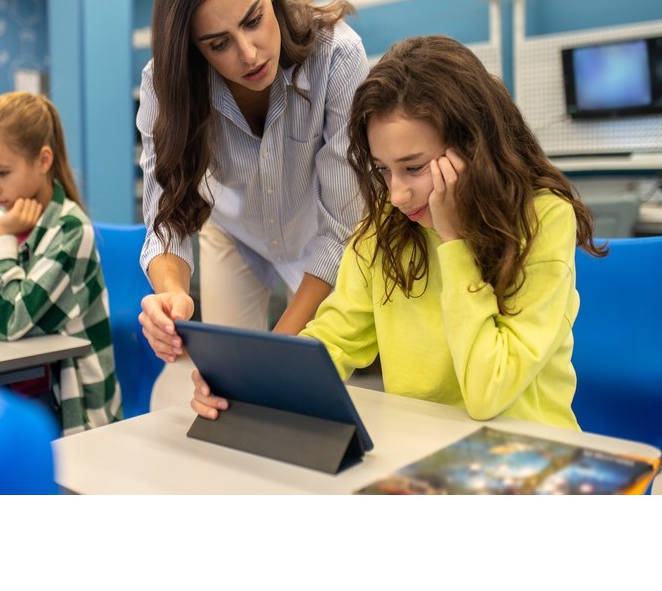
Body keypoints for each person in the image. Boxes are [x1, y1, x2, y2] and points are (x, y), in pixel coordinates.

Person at [192, 35, 607, 429]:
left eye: (413, 167)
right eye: (383, 170)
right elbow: (333, 339)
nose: (396, 195)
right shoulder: (385, 230)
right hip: (423, 452)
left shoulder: (543, 220)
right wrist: (245, 383)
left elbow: (488, 393)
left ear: (474, 147)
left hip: (529, 452)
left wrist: (455, 242)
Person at [138, 0, 369, 362]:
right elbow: (165, 216)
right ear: (193, 48)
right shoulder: (164, 85)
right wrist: (171, 294)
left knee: (310, 374)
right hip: (235, 231)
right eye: (218, 44)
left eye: (254, 20)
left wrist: (268, 356)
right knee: (229, 375)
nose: (248, 54)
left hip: (321, 236)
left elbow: (342, 229)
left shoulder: (338, 56)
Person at [0, 91, 123, 435]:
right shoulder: (0, 221)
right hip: (21, 391)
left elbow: (11, 322)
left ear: (43, 160)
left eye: (2, 173)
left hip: (74, 409)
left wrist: (2, 236)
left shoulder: (70, 229)